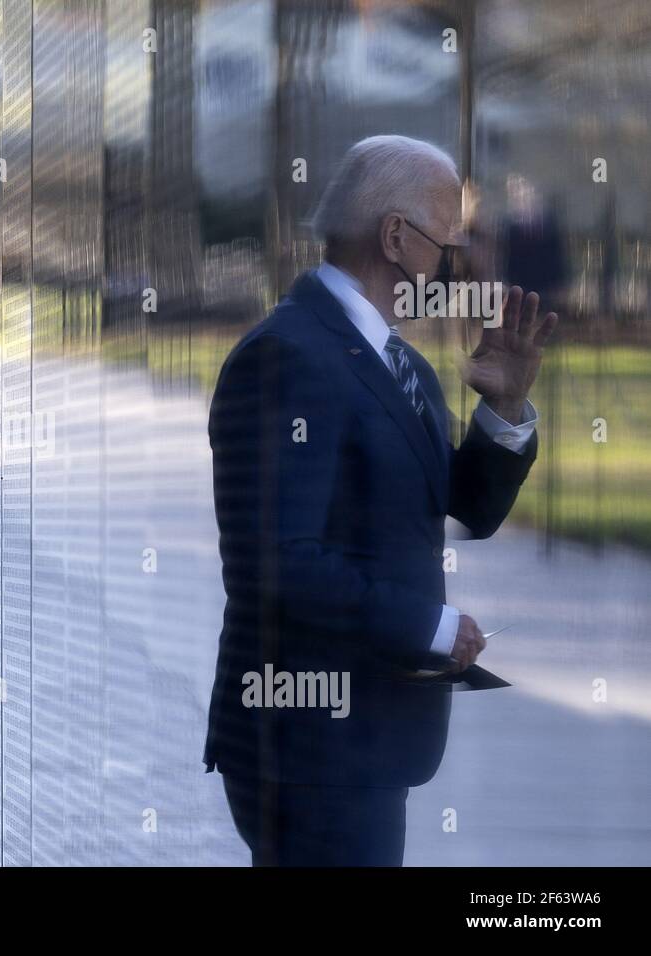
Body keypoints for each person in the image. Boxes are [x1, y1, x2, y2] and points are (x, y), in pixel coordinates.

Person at [203, 135, 558, 866]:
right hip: (309, 748)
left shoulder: (404, 365)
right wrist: (428, 625)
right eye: (449, 250)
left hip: (362, 745)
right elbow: (276, 562)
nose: (458, 271)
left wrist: (507, 410)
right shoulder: (289, 356)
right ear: (396, 238)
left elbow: (469, 506)